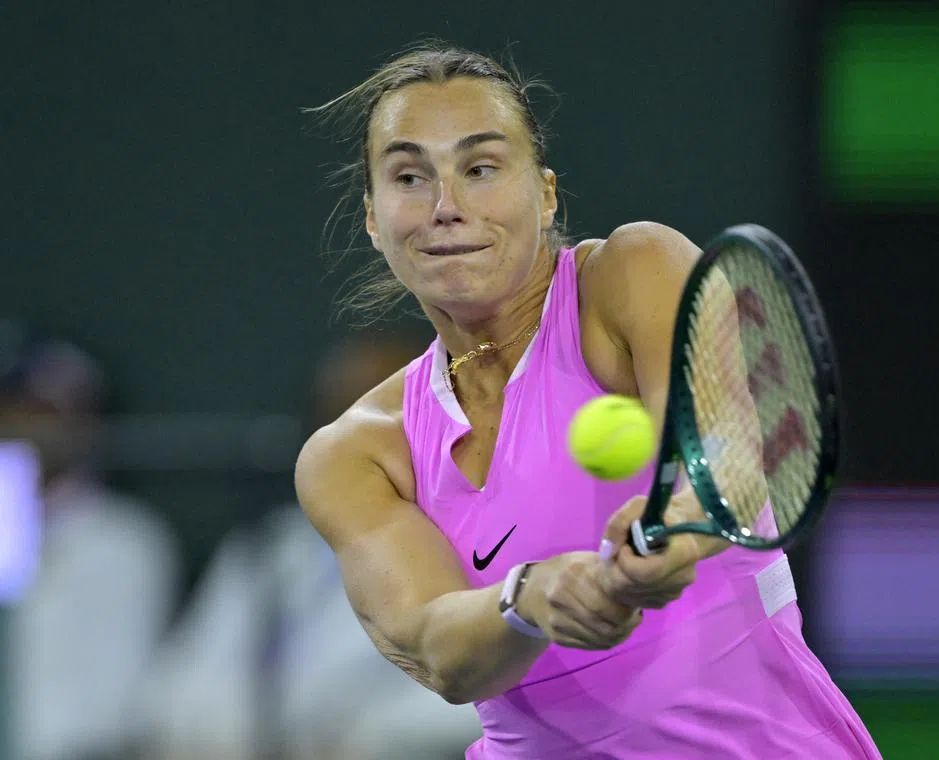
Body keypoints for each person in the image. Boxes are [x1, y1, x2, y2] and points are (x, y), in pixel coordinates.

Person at [296, 44, 882, 758]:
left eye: (480, 168)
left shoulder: (637, 273)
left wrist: (675, 530)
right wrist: (529, 598)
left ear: (544, 194)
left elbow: (721, 454)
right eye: (410, 176)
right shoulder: (355, 454)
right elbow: (435, 648)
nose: (446, 207)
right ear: (371, 216)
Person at [136, 331, 481, 760]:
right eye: (339, 412)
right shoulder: (268, 545)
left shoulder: (482, 541)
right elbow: (174, 697)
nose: (357, 432)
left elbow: (478, 705)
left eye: (380, 409)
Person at [0, 320, 180, 760]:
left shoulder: (124, 540)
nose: (25, 425)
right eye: (14, 407)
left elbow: (114, 714)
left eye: (43, 411)